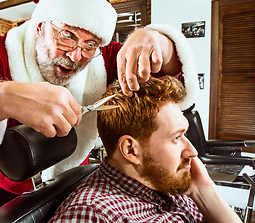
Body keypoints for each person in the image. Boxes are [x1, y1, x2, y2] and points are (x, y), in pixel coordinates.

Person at [0, 0, 199, 222]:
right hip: (6, 198)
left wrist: (155, 40)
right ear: (39, 27)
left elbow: (171, 80)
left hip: (75, 186)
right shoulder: (1, 54)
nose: (76, 55)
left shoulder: (104, 57)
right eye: (67, 36)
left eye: (89, 44)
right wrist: (1, 96)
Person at [49, 77, 241, 223]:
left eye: (184, 135)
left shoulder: (166, 181)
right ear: (131, 150)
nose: (192, 151)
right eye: (176, 137)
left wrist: (204, 192)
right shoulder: (91, 215)